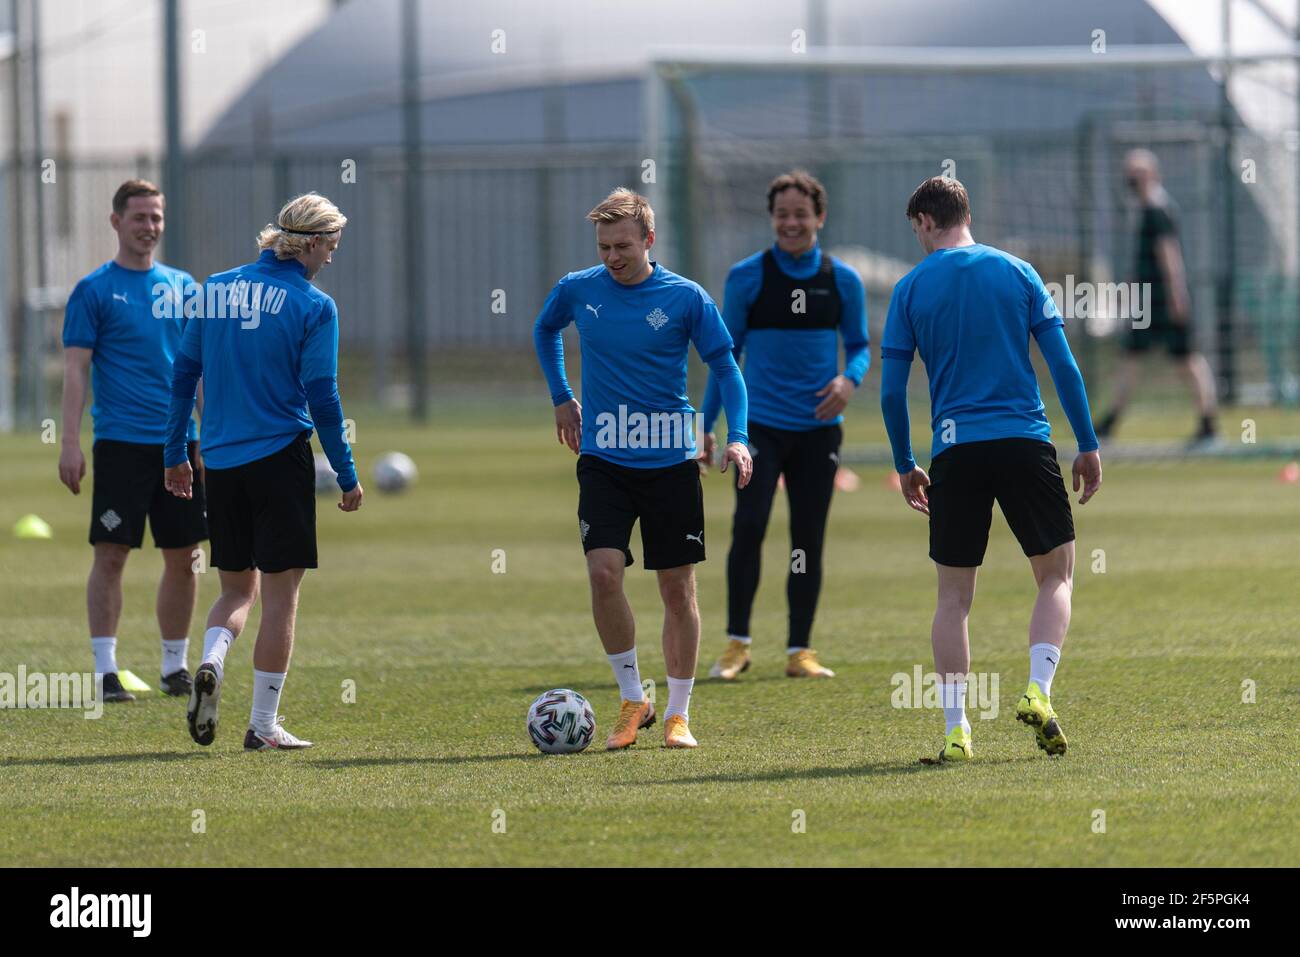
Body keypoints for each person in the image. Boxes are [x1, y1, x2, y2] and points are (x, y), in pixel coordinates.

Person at [879, 176, 1102, 762]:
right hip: (1025, 441)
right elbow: (1064, 366)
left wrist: (906, 463)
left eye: (917, 231)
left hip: (955, 451)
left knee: (953, 597)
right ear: (965, 215)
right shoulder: (1019, 272)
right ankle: (1039, 689)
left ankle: (957, 732)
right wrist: (1087, 442)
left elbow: (890, 394)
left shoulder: (909, 289)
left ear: (926, 222)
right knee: (1056, 576)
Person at [534, 187, 753, 750]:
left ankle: (679, 713)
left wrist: (739, 438)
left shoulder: (685, 298)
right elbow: (544, 328)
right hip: (604, 459)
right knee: (604, 572)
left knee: (677, 589)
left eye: (623, 246)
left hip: (671, 464)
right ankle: (634, 698)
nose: (612, 257)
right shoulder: (579, 290)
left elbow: (726, 368)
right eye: (604, 246)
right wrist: (561, 395)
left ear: (649, 240)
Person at [163, 192, 362, 751]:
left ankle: (209, 659)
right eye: (332, 244)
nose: (332, 255)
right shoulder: (315, 306)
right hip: (280, 458)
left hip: (220, 461)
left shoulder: (214, 288)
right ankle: (262, 725)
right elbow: (323, 396)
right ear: (315, 242)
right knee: (280, 596)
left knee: (234, 591)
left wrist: (175, 452)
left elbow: (183, 375)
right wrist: (346, 474)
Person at [700, 170, 869, 681]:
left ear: (819, 217)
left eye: (801, 214)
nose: (791, 223)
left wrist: (848, 381)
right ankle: (736, 645)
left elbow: (860, 346)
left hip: (819, 432)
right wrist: (707, 426)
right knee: (748, 527)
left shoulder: (843, 279)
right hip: (760, 429)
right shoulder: (746, 277)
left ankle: (800, 650)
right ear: (771, 219)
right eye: (782, 215)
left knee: (806, 538)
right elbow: (725, 356)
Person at [59, 179, 206, 703]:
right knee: (113, 554)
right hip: (121, 443)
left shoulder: (185, 287)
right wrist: (70, 442)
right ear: (116, 221)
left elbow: (199, 368)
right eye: (140, 217)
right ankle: (106, 670)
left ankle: (175, 666)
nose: (150, 227)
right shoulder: (94, 290)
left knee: (185, 556)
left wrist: (206, 436)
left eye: (157, 218)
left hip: (180, 444)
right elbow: (76, 370)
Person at [1093, 149, 1218, 446]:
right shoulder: (1146, 209)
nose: (1131, 180)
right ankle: (1110, 422)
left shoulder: (1158, 210)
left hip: (1163, 302)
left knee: (1188, 360)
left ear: (1151, 175)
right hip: (1146, 303)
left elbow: (1169, 255)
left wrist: (1177, 295)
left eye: (1137, 174)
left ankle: (1208, 423)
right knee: (1130, 359)